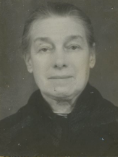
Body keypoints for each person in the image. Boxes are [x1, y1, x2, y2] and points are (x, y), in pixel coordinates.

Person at [0, 2, 118, 156]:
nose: (59, 62)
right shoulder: (5, 136)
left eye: (73, 47)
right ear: (29, 61)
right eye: (44, 49)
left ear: (92, 56)